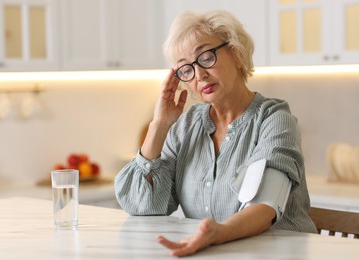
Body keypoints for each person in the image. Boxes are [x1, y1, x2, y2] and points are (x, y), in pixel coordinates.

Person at [114, 9, 317, 257]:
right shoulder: (186, 126)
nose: (199, 75)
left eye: (206, 57)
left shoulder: (274, 118)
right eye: (186, 69)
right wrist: (159, 124)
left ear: (237, 53)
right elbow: (142, 206)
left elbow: (265, 207)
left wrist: (215, 234)